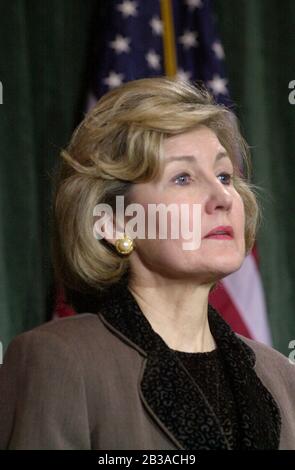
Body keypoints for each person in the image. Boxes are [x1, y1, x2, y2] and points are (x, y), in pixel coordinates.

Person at [0, 77, 294, 450]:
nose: (222, 196)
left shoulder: (279, 376)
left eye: (223, 175)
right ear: (114, 221)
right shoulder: (59, 360)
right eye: (183, 178)